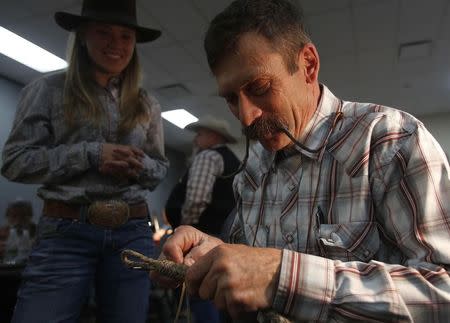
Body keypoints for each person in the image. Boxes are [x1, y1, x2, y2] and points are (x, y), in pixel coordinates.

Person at [154, 0, 450, 322]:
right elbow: (252, 262)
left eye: (260, 87)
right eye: (230, 98)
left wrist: (282, 276)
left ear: (308, 65)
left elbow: (444, 291)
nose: (247, 116)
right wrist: (215, 253)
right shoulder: (251, 166)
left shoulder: (391, 143)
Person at [1, 0, 169, 322]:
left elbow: (159, 168)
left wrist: (138, 166)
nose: (115, 44)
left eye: (125, 36)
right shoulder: (46, 90)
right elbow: (14, 161)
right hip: (66, 231)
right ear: (81, 36)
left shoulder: (148, 104)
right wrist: (89, 154)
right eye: (103, 32)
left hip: (132, 231)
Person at [165, 116, 240, 323]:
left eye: (200, 134)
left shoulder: (208, 156)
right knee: (217, 292)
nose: (196, 139)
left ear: (214, 136)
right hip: (223, 236)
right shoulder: (232, 160)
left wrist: (184, 230)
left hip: (201, 236)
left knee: (200, 291)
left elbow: (197, 199)